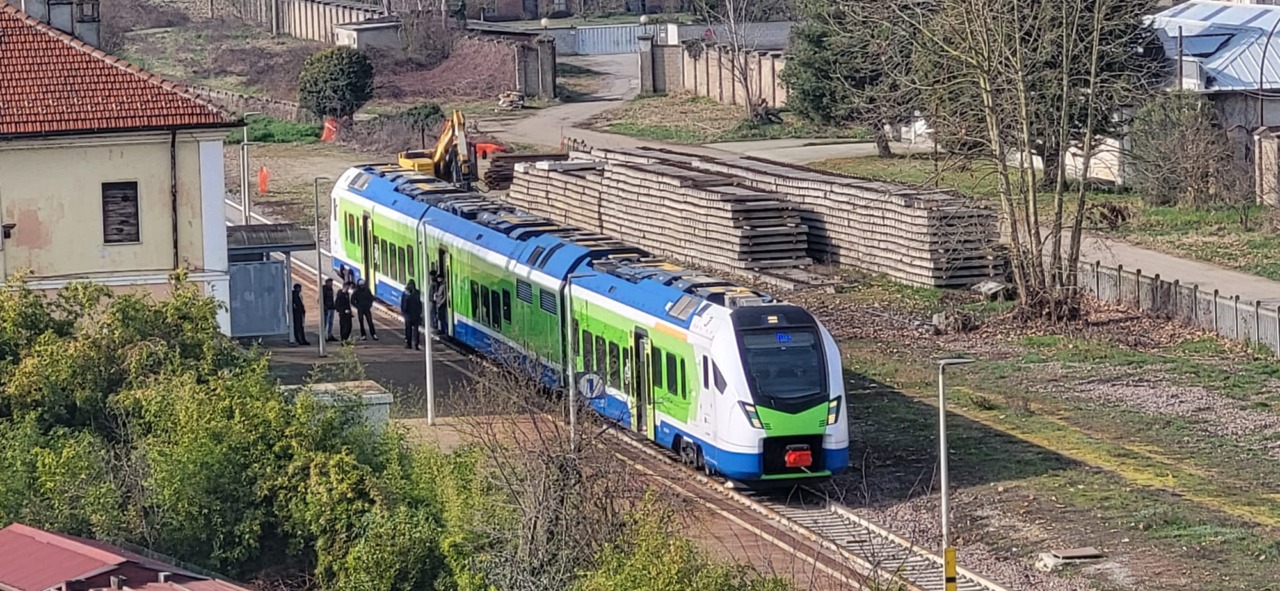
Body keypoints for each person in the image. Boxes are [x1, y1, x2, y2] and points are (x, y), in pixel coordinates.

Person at [401, 279, 424, 350]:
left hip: (408, 316)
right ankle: (416, 345)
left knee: (408, 330)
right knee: (416, 331)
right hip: (416, 315)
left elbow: (403, 305)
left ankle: (409, 344)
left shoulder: (405, 294)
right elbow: (419, 304)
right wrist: (420, 313)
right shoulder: (417, 293)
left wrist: (404, 313)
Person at [432, 271, 448, 336]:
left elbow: (445, 296)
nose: (438, 279)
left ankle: (443, 330)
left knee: (442, 317)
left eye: (439, 278)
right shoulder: (441, 285)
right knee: (440, 317)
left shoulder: (444, 286)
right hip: (439, 303)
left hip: (441, 304)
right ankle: (442, 329)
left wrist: (440, 303)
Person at [322, 278, 336, 342]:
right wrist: (324, 308)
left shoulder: (330, 289)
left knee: (330, 322)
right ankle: (324, 336)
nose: (331, 284)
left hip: (331, 308)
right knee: (325, 323)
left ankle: (330, 335)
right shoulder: (324, 289)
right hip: (327, 308)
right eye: (330, 282)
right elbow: (322, 299)